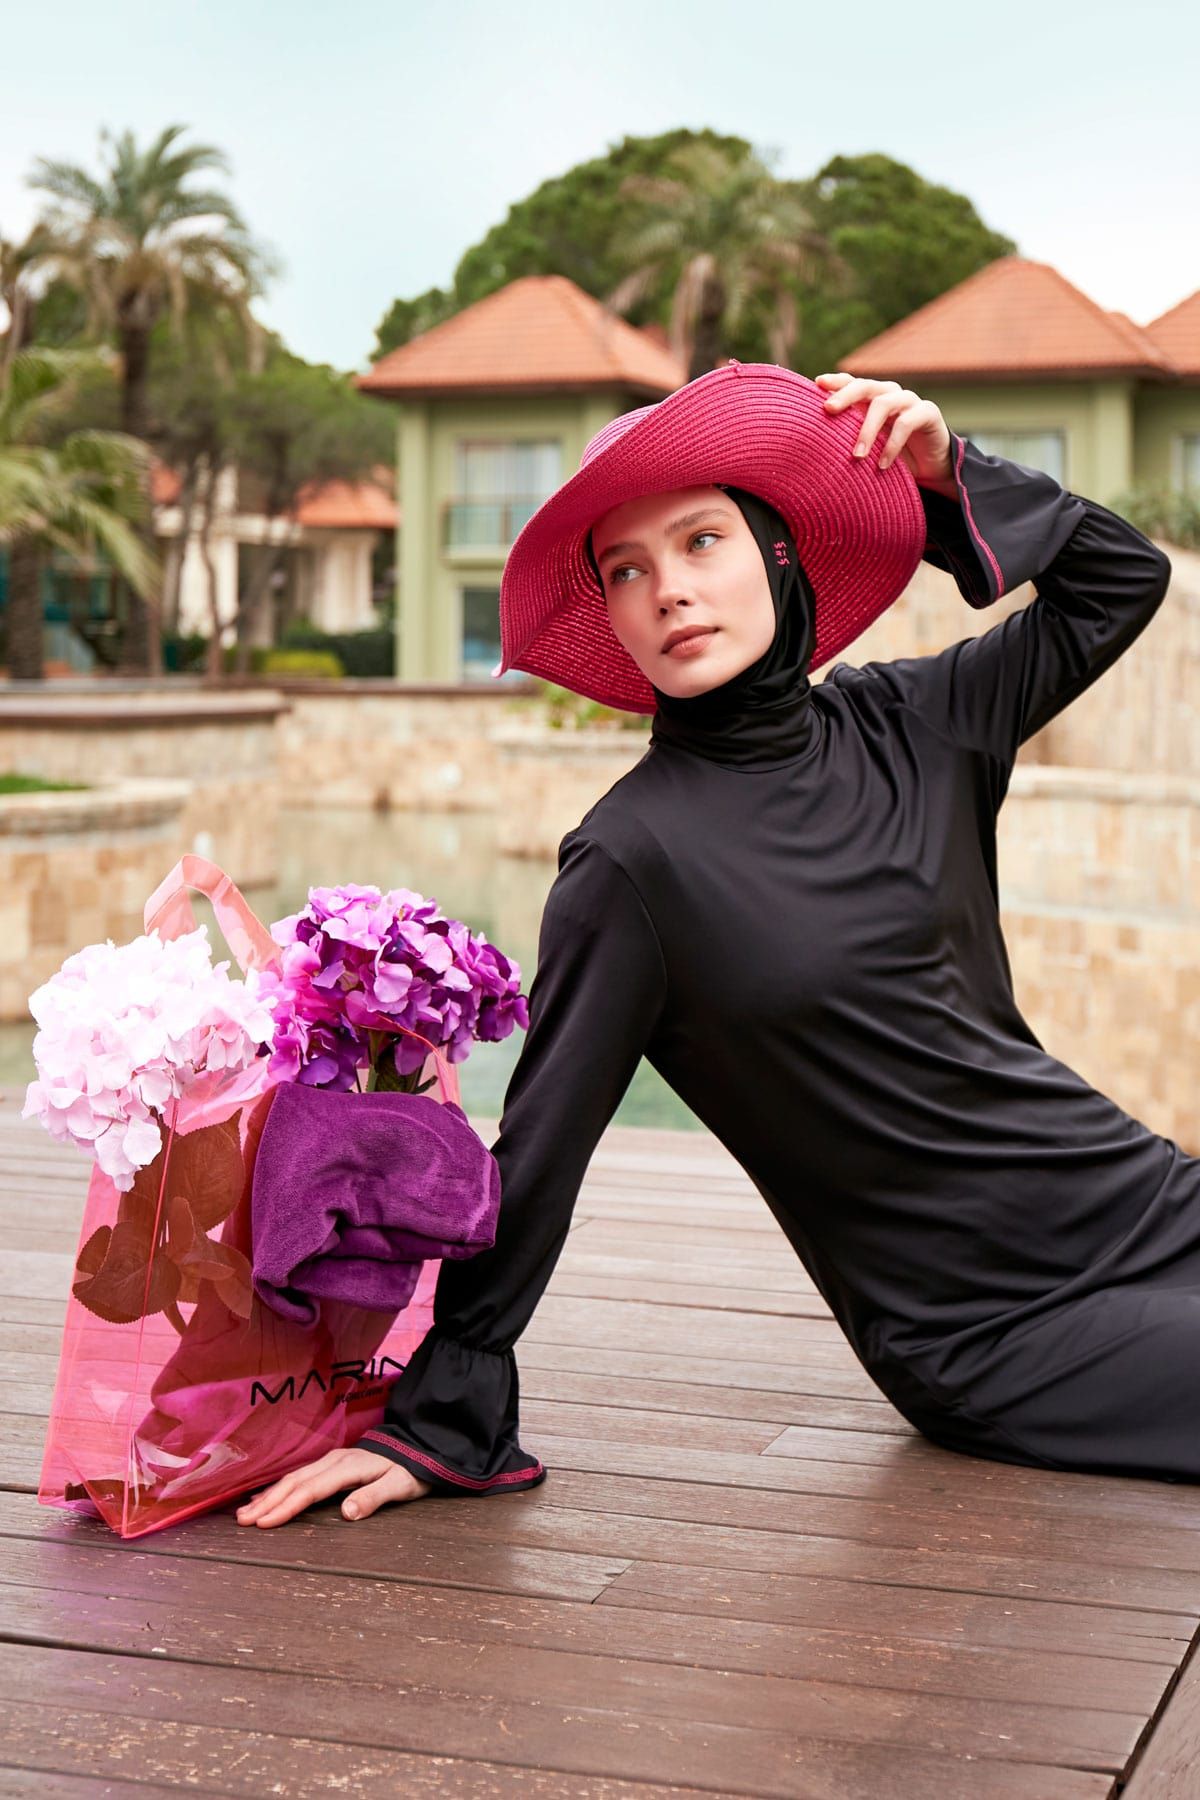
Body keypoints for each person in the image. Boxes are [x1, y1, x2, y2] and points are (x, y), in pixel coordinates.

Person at [238, 361, 1189, 1533]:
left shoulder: (919, 725)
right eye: (627, 571)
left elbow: (1120, 582)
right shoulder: (631, 863)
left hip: (1151, 1205)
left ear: (780, 558)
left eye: (700, 544)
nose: (667, 592)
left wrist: (952, 475)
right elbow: (540, 1148)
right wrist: (444, 1413)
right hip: (994, 1329)